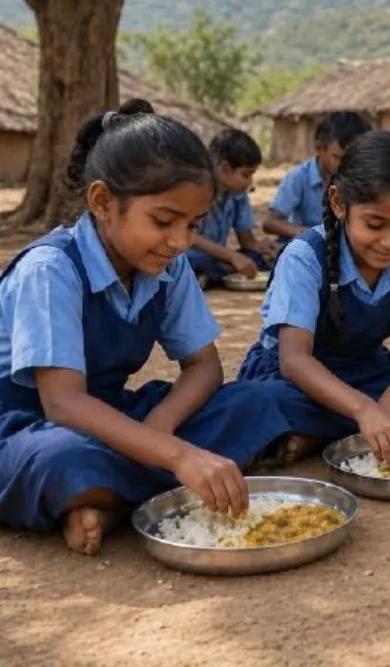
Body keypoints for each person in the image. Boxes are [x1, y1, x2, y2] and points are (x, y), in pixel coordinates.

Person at [0, 102, 292, 555]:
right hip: (30, 426)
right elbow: (62, 402)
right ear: (102, 203)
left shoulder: (167, 267)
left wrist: (159, 429)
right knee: (60, 460)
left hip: (111, 414)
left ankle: (108, 503)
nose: (179, 242)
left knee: (257, 401)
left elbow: (204, 368)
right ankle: (127, 490)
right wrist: (175, 454)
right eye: (163, 221)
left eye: (192, 225)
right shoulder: (51, 268)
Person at [239, 130, 390, 467]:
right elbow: (294, 361)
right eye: (375, 224)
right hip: (298, 379)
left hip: (367, 371)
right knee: (258, 403)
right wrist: (365, 409)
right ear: (339, 203)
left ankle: (326, 434)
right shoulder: (304, 256)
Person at [185, 128, 277, 287]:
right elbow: (188, 235)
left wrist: (262, 248)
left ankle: (208, 277)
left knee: (257, 260)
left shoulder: (238, 195)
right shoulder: (197, 189)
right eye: (246, 175)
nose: (250, 182)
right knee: (191, 260)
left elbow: (247, 240)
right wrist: (231, 256)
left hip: (219, 258)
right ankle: (208, 274)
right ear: (225, 169)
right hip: (195, 251)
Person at [264, 110, 372, 243]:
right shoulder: (299, 177)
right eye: (338, 157)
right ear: (319, 148)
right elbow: (270, 222)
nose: (346, 165)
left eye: (354, 158)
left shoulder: (362, 177)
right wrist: (312, 235)